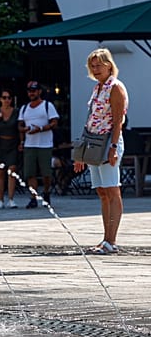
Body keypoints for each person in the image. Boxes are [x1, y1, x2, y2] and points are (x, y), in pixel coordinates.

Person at [74, 48, 128, 255]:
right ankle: (105, 238)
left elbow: (117, 122)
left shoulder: (115, 87)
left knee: (112, 190)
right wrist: (82, 152)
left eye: (99, 65)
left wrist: (113, 148)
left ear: (108, 65)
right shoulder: (98, 88)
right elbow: (90, 120)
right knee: (102, 192)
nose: (95, 69)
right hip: (93, 144)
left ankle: (111, 241)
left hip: (107, 143)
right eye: (92, 66)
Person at [18, 81, 59, 208]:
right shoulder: (24, 108)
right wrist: (22, 138)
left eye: (34, 90)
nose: (32, 93)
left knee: (46, 172)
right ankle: (33, 197)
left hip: (44, 144)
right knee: (30, 172)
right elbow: (19, 125)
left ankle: (46, 192)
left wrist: (41, 129)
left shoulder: (47, 106)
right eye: (30, 91)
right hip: (30, 144)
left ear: (39, 92)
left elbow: (54, 123)